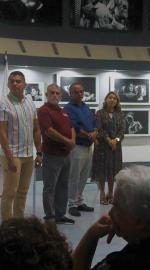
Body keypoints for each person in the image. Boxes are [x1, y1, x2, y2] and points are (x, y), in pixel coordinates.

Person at [0, 71, 42, 220]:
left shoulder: (30, 102)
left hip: (28, 155)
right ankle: (7, 228)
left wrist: (39, 152)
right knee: (9, 193)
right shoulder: (3, 104)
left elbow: (36, 129)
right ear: (8, 84)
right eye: (12, 81)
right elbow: (1, 133)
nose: (15, 83)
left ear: (25, 84)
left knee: (23, 192)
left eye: (18, 81)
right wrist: (9, 157)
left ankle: (18, 223)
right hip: (12, 155)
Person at [37, 84, 76, 225]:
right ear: (46, 95)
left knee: (63, 185)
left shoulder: (63, 111)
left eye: (57, 93)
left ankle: (60, 214)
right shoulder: (43, 110)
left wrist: (72, 141)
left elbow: (71, 128)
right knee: (50, 187)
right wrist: (67, 141)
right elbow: (48, 131)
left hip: (66, 155)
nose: (55, 95)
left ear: (61, 95)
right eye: (52, 93)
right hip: (52, 155)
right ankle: (50, 215)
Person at [64, 82, 97, 216]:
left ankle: (79, 201)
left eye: (81, 91)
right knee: (74, 177)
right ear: (70, 93)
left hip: (89, 146)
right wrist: (89, 134)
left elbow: (94, 122)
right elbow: (74, 127)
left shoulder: (86, 107)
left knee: (84, 176)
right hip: (77, 146)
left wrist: (94, 132)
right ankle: (72, 204)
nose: (79, 94)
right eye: (76, 92)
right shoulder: (68, 109)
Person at [93, 92, 125, 205]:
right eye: (110, 98)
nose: (112, 100)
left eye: (115, 98)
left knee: (113, 171)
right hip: (102, 147)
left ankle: (111, 194)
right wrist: (108, 140)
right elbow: (99, 129)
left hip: (115, 148)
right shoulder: (99, 113)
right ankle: (102, 194)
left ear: (117, 101)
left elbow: (122, 131)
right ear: (106, 99)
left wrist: (115, 140)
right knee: (102, 171)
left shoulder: (120, 114)